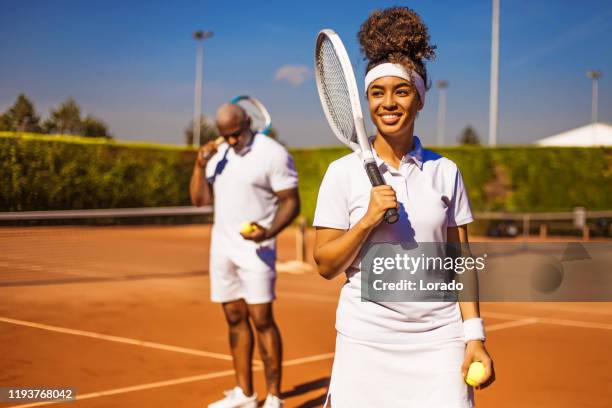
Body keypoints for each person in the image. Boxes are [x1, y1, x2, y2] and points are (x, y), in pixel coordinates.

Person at [313, 7, 495, 407]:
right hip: (366, 340)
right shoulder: (341, 173)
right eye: (377, 93)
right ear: (366, 101)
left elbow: (461, 262)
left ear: (420, 99)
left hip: (440, 340)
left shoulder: (446, 171)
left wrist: (475, 336)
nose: (388, 103)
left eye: (401, 91)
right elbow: (325, 264)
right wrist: (366, 222)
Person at [190, 103, 300, 408]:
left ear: (248, 122)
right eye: (226, 135)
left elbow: (291, 202)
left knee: (262, 319)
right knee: (234, 317)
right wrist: (200, 165)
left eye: (236, 134)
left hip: (257, 251)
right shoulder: (219, 155)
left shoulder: (273, 153)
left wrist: (267, 232)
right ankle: (246, 395)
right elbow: (199, 200)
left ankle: (275, 397)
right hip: (222, 250)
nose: (232, 141)